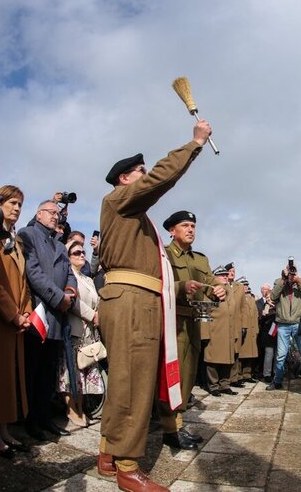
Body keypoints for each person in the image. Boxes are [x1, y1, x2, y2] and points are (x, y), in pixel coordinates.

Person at [96, 118, 212, 492]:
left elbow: (151, 273)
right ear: (125, 180)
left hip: (137, 299)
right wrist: (193, 145)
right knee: (134, 383)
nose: (146, 177)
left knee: (125, 382)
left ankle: (109, 454)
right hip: (132, 304)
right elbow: (160, 179)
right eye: (140, 173)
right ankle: (129, 467)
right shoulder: (120, 201)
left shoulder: (135, 218)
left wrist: (180, 286)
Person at [158, 210, 224, 451]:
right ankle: (169, 428)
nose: (190, 230)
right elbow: (157, 283)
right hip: (171, 322)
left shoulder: (201, 259)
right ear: (172, 231)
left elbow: (211, 282)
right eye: (185, 225)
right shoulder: (162, 254)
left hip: (194, 323)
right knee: (172, 375)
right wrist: (180, 286)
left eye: (193, 226)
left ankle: (177, 423)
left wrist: (217, 289)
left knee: (187, 376)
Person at [0, 185, 32, 458]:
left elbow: (23, 281)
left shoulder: (16, 240)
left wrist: (26, 311)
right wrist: (13, 313)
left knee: (10, 379)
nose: (16, 208)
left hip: (15, 320)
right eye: (11, 202)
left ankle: (4, 430)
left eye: (20, 204)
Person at [18, 200, 77, 440]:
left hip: (58, 319)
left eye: (57, 214)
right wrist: (58, 297)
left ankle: (45, 418)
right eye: (51, 212)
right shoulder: (27, 234)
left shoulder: (61, 246)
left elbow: (71, 275)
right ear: (39, 213)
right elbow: (33, 273)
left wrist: (70, 295)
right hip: (39, 315)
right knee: (32, 371)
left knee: (48, 373)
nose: (56, 217)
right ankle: (30, 420)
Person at [59, 239, 104, 428]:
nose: (82, 255)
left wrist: (99, 313)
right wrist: (92, 314)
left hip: (89, 332)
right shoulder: (69, 277)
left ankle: (81, 407)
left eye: (82, 252)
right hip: (75, 328)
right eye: (76, 253)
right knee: (71, 371)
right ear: (68, 257)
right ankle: (71, 409)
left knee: (84, 371)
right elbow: (74, 302)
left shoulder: (87, 278)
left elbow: (96, 299)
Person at [267, 259, 301, 391]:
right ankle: (277, 381)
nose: (291, 273)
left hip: (299, 323)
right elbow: (273, 296)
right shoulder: (278, 281)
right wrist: (283, 280)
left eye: (293, 271)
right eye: (289, 270)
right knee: (281, 355)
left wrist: (297, 281)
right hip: (283, 324)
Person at [203, 265, 240, 397]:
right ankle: (213, 386)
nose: (225, 276)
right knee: (213, 360)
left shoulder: (229, 292)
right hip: (215, 331)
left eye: (226, 274)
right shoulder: (209, 291)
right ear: (214, 277)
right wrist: (205, 335)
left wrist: (235, 332)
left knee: (228, 360)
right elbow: (204, 313)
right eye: (222, 275)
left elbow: (234, 314)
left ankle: (225, 385)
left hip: (228, 331)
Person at [237, 276, 259, 383]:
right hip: (243, 330)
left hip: (252, 330)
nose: (246, 287)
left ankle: (247, 374)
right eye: (243, 285)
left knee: (250, 355)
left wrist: (256, 330)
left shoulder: (251, 298)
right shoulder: (238, 298)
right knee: (241, 354)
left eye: (246, 285)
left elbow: (255, 315)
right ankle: (239, 375)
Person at [256, 283, 277, 383]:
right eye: (267, 297)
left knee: (278, 354)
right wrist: (267, 308)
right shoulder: (265, 306)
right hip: (268, 334)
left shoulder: (277, 306)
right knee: (269, 354)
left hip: (277, 332)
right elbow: (262, 317)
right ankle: (267, 374)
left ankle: (276, 373)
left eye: (270, 297)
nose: (269, 299)